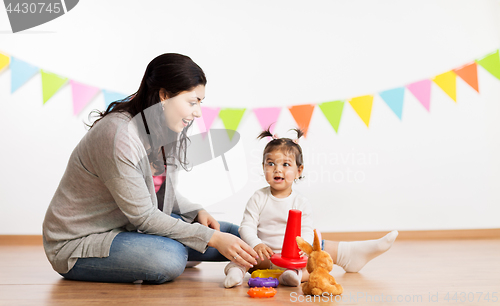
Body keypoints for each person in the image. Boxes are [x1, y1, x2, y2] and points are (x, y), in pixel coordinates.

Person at [42, 53, 258, 284]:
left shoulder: (161, 129)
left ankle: (279, 264)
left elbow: (159, 192)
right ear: (164, 96)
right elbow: (145, 216)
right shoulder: (119, 136)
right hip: (78, 243)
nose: (197, 112)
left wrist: (195, 211)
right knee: (169, 258)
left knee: (234, 234)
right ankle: (168, 249)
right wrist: (209, 238)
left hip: (127, 227)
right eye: (192, 102)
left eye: (200, 103)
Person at [223, 127, 399, 288]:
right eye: (271, 164)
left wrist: (302, 248)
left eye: (285, 164)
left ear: (299, 170)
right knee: (242, 258)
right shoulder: (258, 197)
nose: (277, 170)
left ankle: (292, 275)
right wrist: (256, 244)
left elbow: (306, 230)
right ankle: (235, 273)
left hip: (290, 258)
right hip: (262, 257)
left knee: (312, 262)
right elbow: (246, 226)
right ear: (263, 167)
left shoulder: (301, 202)